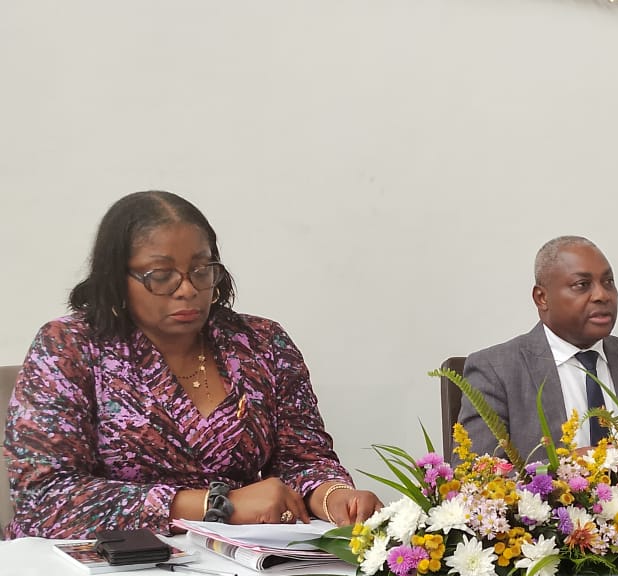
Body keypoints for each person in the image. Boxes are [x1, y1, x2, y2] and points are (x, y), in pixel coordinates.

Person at [3, 190, 381, 539]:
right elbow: (45, 499)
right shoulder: (69, 347)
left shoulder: (261, 342)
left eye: (201, 270)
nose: (187, 289)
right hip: (97, 569)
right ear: (117, 279)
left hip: (235, 563)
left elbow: (305, 459)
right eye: (161, 276)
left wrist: (334, 496)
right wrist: (218, 505)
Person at [457, 235, 618, 459]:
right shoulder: (496, 371)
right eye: (582, 285)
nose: (602, 295)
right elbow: (474, 474)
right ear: (542, 298)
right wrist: (569, 469)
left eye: (608, 282)